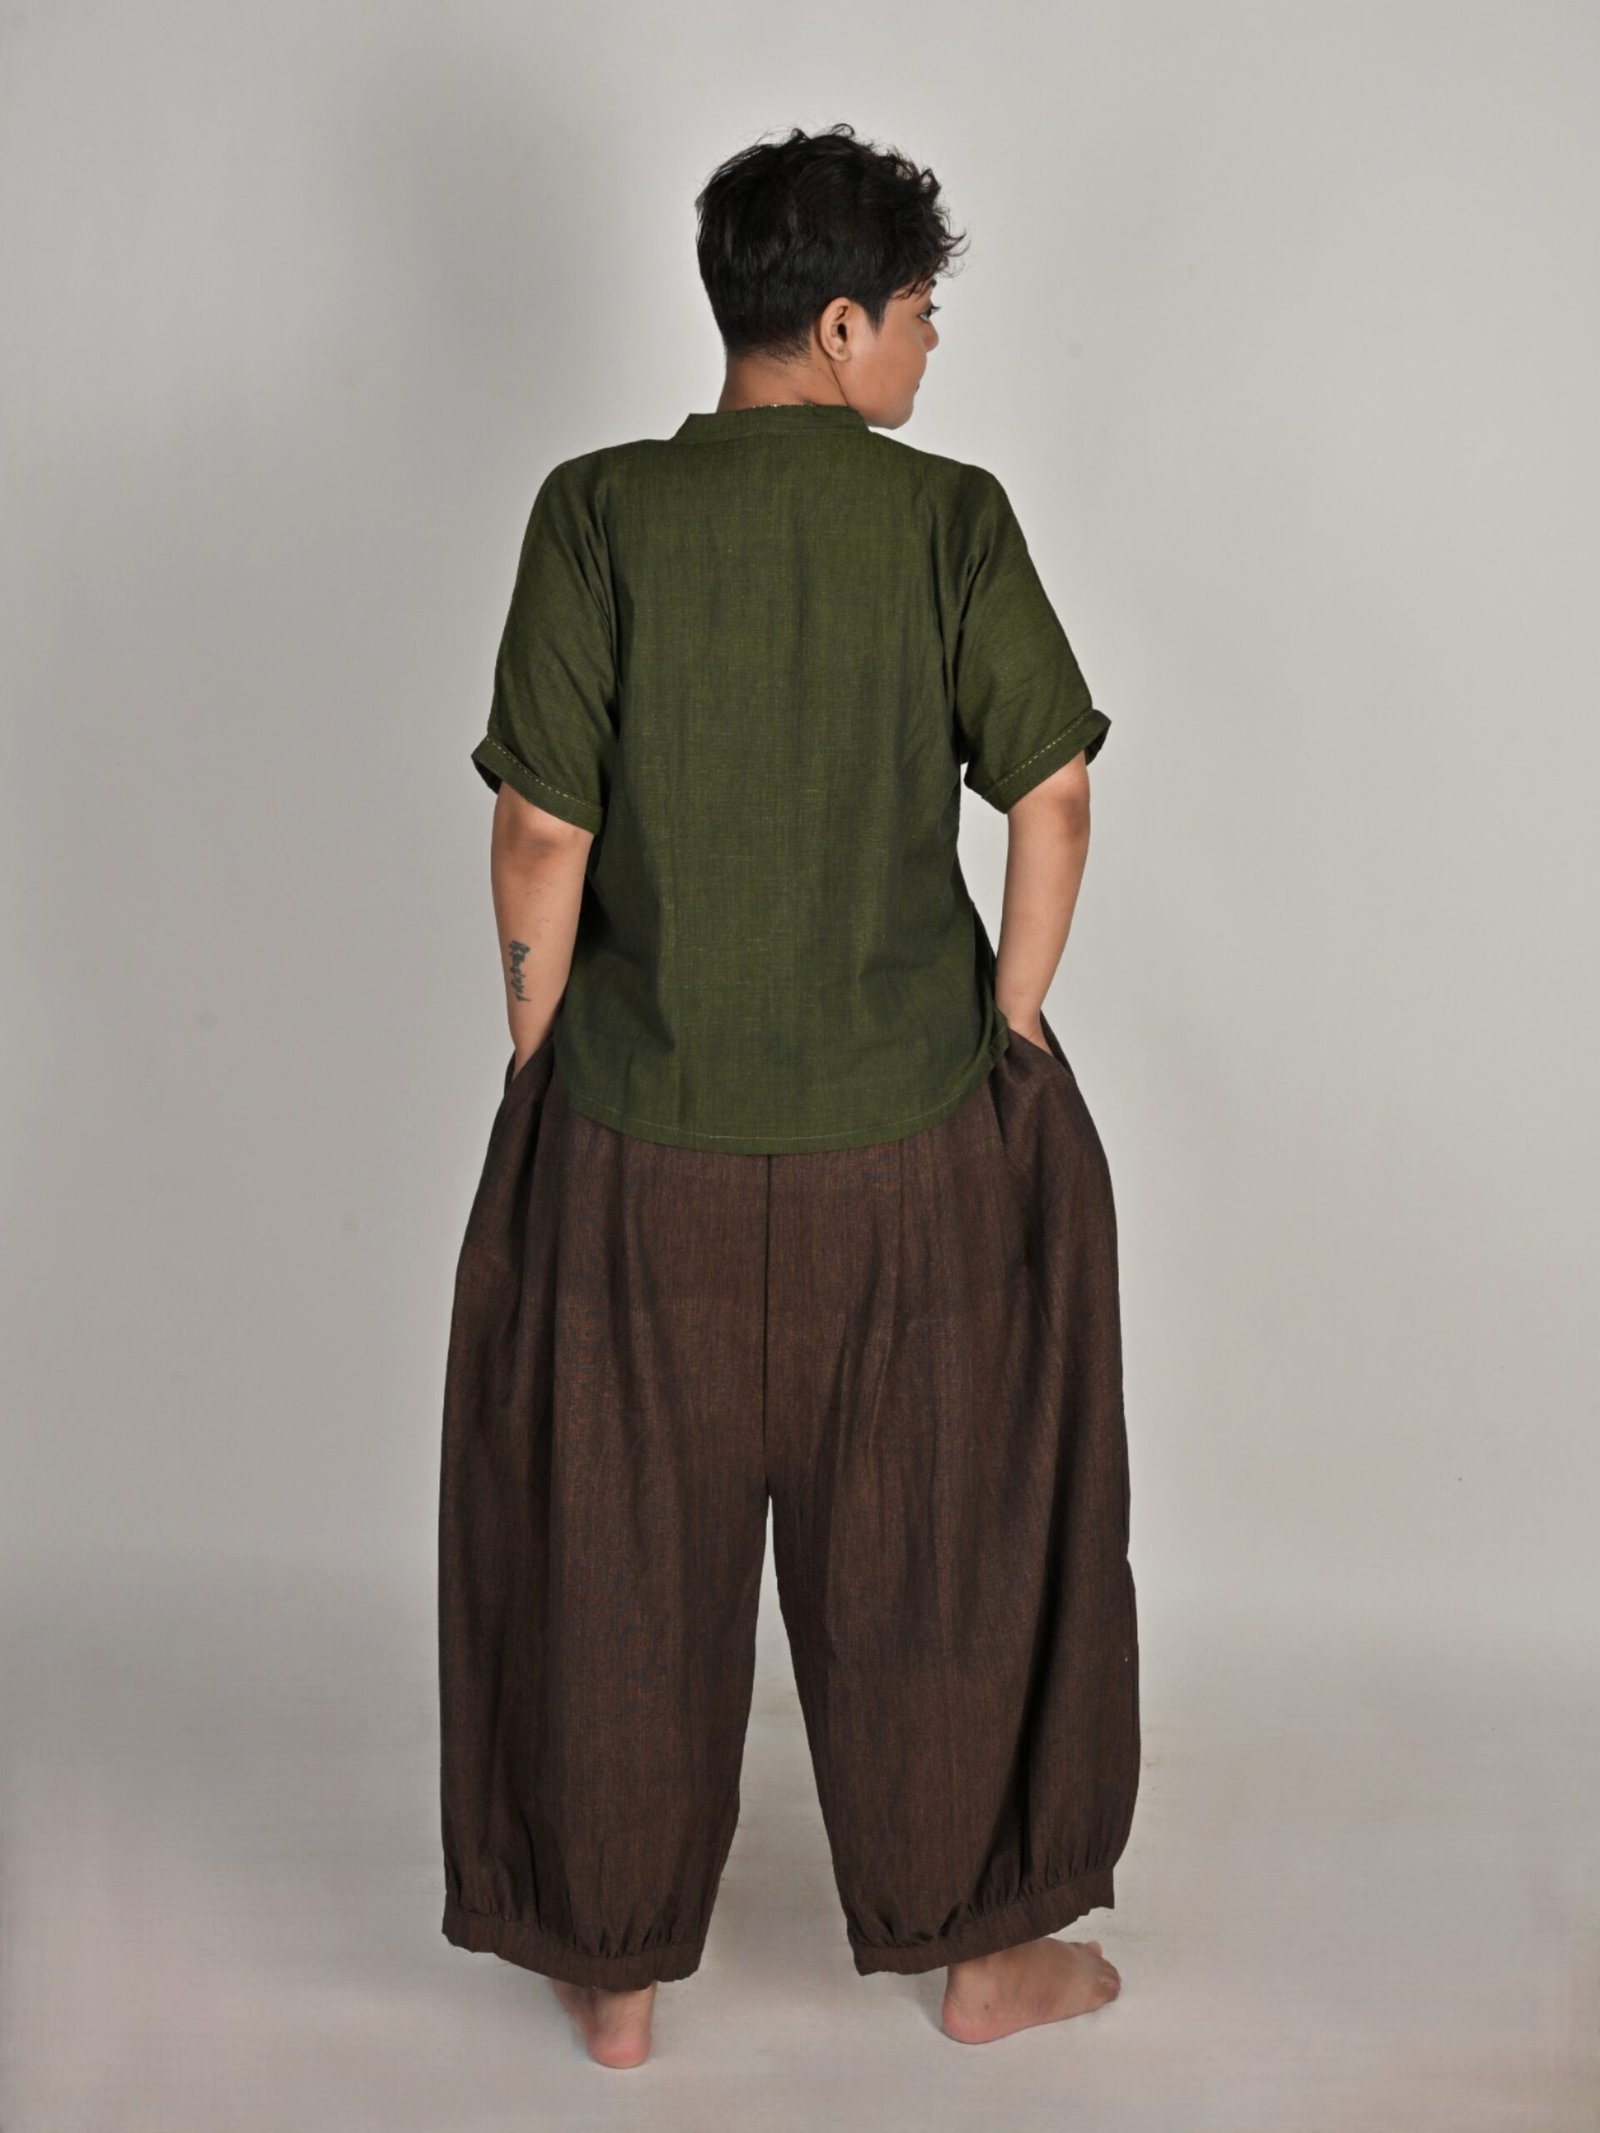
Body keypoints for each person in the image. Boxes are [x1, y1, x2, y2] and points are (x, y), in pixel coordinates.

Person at [437, 121, 1139, 2069]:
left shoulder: (596, 510)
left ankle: (613, 1974)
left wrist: (539, 1051)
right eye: (915, 311)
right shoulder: (948, 520)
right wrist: (1010, 1022)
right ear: (837, 324)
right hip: (904, 1149)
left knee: (608, 1544)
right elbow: (1056, 790)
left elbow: (536, 829)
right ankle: (979, 1958)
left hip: (635, 1144)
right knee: (938, 1543)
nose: (927, 345)